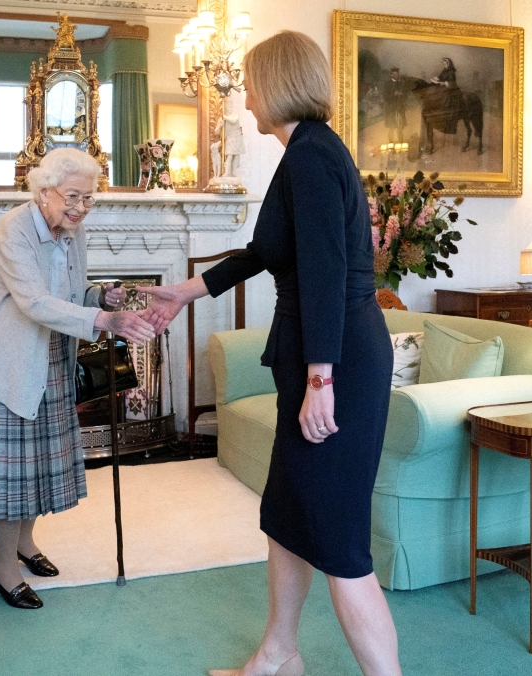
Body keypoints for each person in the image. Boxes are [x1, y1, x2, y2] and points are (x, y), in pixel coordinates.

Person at [140, 31, 401, 676]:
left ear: (279, 85)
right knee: (286, 515)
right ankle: (278, 657)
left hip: (337, 359)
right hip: (322, 354)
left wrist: (321, 378)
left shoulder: (312, 156)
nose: (245, 95)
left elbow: (324, 271)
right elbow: (266, 254)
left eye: (251, 83)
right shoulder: (303, 153)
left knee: (340, 543)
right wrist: (186, 291)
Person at [0, 147, 156, 610]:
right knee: (12, 473)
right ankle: (2, 567)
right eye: (73, 197)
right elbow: (33, 302)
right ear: (44, 191)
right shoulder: (12, 231)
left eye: (88, 199)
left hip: (53, 356)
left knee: (38, 464)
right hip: (12, 362)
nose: (80, 208)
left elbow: (72, 292)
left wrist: (101, 295)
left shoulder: (73, 233)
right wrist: (104, 321)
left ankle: (25, 545)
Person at [384, 66, 407, 144]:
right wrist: (394, 94)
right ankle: (391, 145)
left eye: (398, 74)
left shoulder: (401, 84)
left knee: (400, 128)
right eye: (395, 74)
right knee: (391, 128)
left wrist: (402, 95)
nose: (397, 75)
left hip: (399, 109)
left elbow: (405, 97)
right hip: (391, 110)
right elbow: (385, 97)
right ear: (391, 75)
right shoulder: (387, 84)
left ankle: (401, 144)